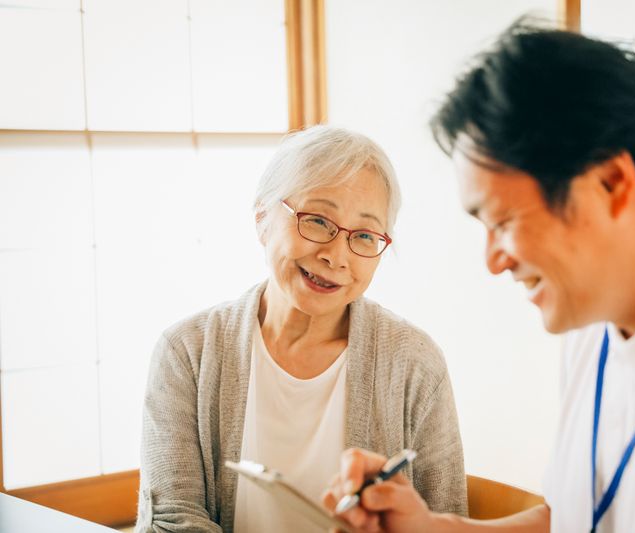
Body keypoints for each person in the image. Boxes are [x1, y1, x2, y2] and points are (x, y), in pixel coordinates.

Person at [323, 21, 635, 533]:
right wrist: (432, 528)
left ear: (612, 182)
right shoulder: (595, 313)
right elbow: (577, 518)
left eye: (502, 222)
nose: (493, 261)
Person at [135, 125, 467, 533]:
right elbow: (173, 520)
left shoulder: (415, 365)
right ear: (262, 218)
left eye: (363, 235)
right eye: (317, 221)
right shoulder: (187, 352)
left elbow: (446, 519)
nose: (335, 256)